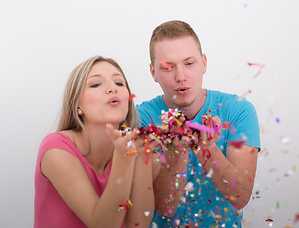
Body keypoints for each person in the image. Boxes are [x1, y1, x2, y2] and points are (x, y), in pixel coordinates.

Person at [136, 20, 261, 228]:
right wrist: (179, 152)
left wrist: (207, 148)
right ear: (153, 73)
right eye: (168, 67)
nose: (181, 76)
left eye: (189, 63)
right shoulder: (142, 119)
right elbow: (165, 207)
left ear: (204, 63)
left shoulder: (238, 110)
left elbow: (240, 197)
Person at [34, 56, 159, 228]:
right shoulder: (56, 150)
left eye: (119, 83)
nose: (112, 88)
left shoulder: (135, 147)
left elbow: (138, 225)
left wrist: (144, 160)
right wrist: (124, 160)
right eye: (95, 84)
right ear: (77, 105)